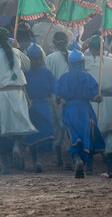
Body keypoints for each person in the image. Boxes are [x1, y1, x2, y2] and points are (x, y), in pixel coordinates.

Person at [0, 28, 36, 174]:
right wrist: (16, 48)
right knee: (19, 124)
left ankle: (5, 165)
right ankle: (17, 145)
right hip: (18, 93)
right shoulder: (17, 53)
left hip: (0, 93)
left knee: (1, 129)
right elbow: (27, 66)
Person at [55, 49, 105, 178]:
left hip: (70, 110)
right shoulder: (87, 77)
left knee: (73, 136)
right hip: (84, 109)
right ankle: (88, 167)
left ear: (70, 63)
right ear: (82, 63)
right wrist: (98, 97)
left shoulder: (64, 77)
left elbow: (58, 96)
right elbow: (95, 97)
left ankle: (77, 159)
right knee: (88, 135)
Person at [84, 35, 112, 177]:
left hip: (92, 102)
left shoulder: (84, 62)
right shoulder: (111, 61)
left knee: (90, 133)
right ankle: (111, 167)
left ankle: (89, 167)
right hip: (110, 101)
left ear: (90, 47)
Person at [24, 44, 56, 173]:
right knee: (46, 133)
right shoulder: (47, 72)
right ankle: (39, 158)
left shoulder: (24, 73)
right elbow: (55, 89)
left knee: (32, 134)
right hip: (43, 106)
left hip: (29, 106)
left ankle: (35, 160)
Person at [45, 31, 71, 167]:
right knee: (70, 125)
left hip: (56, 97)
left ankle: (59, 158)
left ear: (54, 43)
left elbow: (48, 79)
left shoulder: (49, 58)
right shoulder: (73, 55)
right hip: (72, 97)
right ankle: (70, 154)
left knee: (58, 126)